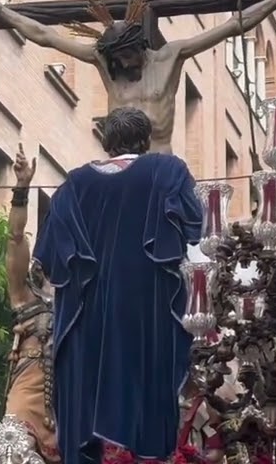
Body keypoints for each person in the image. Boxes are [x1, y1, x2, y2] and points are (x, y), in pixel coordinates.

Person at [0, 0, 276, 154]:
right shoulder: (105, 63)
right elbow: (45, 35)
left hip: (159, 164)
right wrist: (4, 12)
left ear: (140, 46)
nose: (121, 64)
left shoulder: (170, 57)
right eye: (116, 59)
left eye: (126, 56)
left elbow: (234, 26)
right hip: (119, 167)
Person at [32, 107, 205, 464]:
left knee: (86, 397)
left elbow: (49, 261)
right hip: (148, 313)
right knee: (148, 393)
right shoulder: (168, 172)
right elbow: (198, 232)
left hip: (88, 321)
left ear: (106, 141)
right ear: (146, 139)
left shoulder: (75, 184)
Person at [2, 144, 59, 460]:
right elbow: (14, 238)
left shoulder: (84, 302)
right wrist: (21, 188)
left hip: (71, 414)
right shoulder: (26, 296)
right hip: (25, 411)